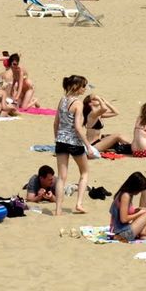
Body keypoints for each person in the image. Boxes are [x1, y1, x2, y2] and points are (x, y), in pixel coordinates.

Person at [53, 74, 91, 215]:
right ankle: (79, 204)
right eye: (83, 86)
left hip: (61, 141)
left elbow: (56, 123)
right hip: (74, 142)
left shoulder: (62, 100)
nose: (84, 89)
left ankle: (58, 210)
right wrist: (88, 145)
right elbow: (78, 127)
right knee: (84, 172)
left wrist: (57, 138)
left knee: (61, 177)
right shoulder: (78, 103)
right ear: (77, 87)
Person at [109, 171, 146, 242]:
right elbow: (123, 219)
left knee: (143, 210)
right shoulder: (125, 196)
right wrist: (139, 213)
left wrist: (137, 211)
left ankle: (144, 236)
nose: (138, 192)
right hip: (122, 234)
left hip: (120, 230)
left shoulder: (125, 193)